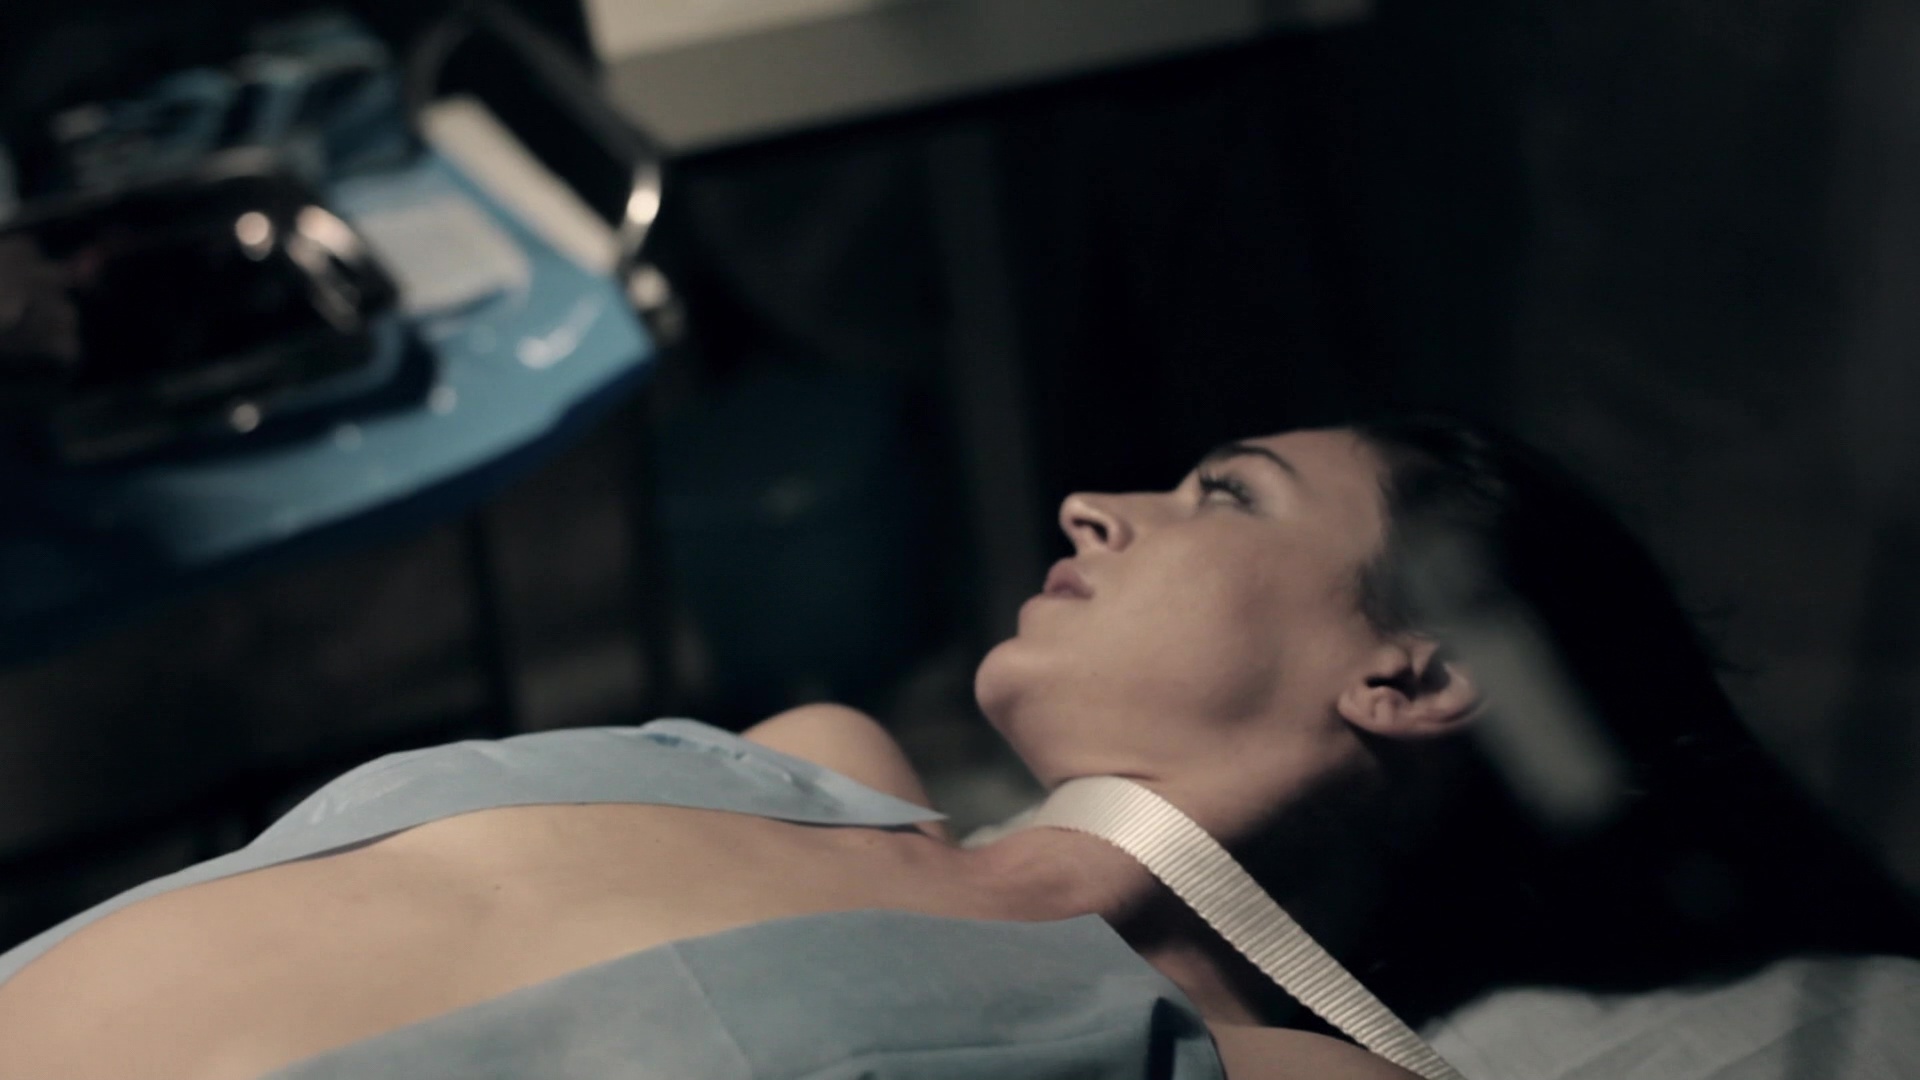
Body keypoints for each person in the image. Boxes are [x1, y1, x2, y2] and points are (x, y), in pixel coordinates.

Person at [0, 416, 1914, 1080]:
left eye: (1226, 494)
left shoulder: (1250, 1064)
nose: (1093, 504)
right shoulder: (817, 755)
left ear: (1412, 670)